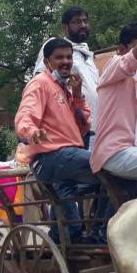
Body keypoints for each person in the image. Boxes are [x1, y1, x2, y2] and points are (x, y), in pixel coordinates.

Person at [15, 38, 100, 243]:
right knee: (109, 167)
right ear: (47, 62)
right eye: (59, 57)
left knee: (73, 208)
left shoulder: (66, 89)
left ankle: (63, 238)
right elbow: (25, 115)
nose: (66, 61)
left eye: (69, 57)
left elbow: (83, 126)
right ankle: (102, 234)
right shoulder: (41, 83)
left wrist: (78, 95)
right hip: (52, 157)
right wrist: (32, 132)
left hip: (65, 159)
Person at [91, 18, 137, 183]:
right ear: (122, 49)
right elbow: (132, 59)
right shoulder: (113, 65)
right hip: (114, 152)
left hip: (135, 150)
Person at [34, 6, 99, 150]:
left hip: (93, 129)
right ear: (65, 27)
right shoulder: (55, 48)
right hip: (69, 131)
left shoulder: (88, 56)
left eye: (85, 21)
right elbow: (40, 83)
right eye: (77, 22)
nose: (83, 25)